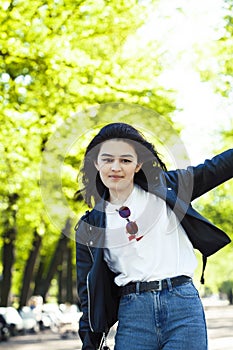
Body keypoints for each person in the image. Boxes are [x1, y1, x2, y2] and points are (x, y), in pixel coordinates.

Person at [75, 122, 233, 350]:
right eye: (108, 159)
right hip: (133, 313)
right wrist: (90, 344)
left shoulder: (168, 187)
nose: (115, 167)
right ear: (96, 163)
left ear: (138, 165)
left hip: (183, 308)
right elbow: (88, 295)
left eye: (125, 160)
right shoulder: (89, 227)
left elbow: (215, 169)